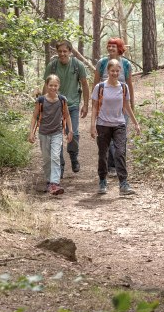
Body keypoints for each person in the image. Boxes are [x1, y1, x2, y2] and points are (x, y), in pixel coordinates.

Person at [91, 59, 141, 195]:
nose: (114, 73)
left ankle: (123, 184)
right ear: (108, 72)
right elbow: (95, 106)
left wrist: (136, 123)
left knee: (120, 153)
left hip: (119, 124)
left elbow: (127, 106)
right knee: (103, 154)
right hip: (102, 125)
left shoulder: (123, 87)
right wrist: (92, 125)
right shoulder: (100, 87)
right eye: (112, 71)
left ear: (120, 72)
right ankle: (102, 180)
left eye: (117, 71)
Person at [43, 40, 89, 177]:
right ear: (57, 52)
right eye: (60, 51)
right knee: (56, 137)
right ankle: (61, 166)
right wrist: (41, 106)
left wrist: (86, 105)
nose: (62, 54)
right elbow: (46, 86)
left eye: (65, 51)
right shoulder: (52, 66)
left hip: (73, 106)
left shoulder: (77, 65)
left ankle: (74, 157)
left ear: (70, 52)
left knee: (73, 133)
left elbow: (85, 85)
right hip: (54, 106)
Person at [92, 38, 135, 177]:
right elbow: (96, 82)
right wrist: (94, 103)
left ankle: (120, 166)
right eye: (109, 46)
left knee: (120, 135)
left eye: (114, 46)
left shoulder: (126, 64)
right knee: (108, 136)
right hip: (105, 103)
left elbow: (129, 83)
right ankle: (111, 166)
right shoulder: (102, 63)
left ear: (119, 48)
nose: (111, 48)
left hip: (121, 102)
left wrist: (131, 104)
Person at [29, 75, 73, 195]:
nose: (53, 87)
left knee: (55, 157)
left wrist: (70, 130)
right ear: (46, 86)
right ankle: (49, 181)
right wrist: (31, 132)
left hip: (57, 133)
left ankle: (55, 183)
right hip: (43, 133)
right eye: (50, 85)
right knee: (46, 159)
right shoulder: (41, 100)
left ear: (59, 86)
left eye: (55, 85)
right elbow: (34, 117)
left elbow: (67, 116)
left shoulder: (62, 100)